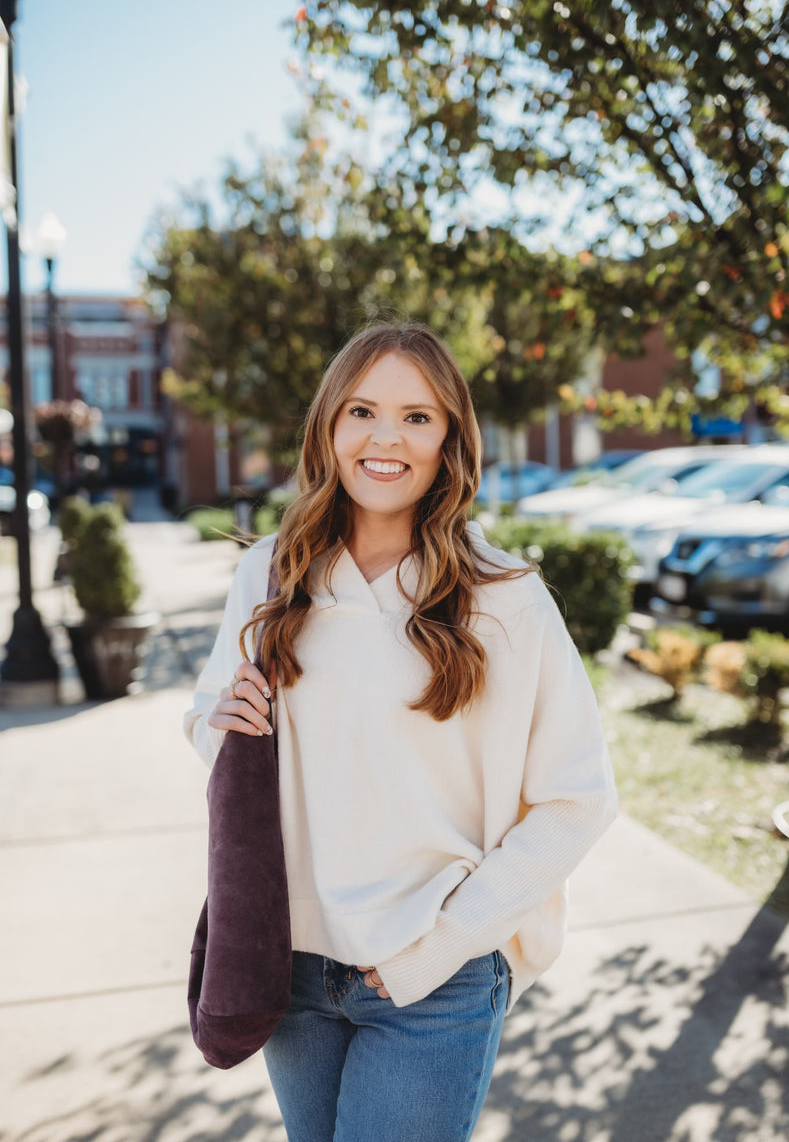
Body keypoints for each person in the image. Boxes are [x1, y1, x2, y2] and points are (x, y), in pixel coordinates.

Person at [184, 320, 617, 1142]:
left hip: (435, 980)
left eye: (418, 417)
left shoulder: (505, 597)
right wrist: (220, 725)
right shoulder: (269, 574)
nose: (387, 438)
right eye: (362, 411)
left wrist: (441, 947)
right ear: (329, 428)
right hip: (294, 967)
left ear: (451, 438)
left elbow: (579, 799)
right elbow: (215, 730)